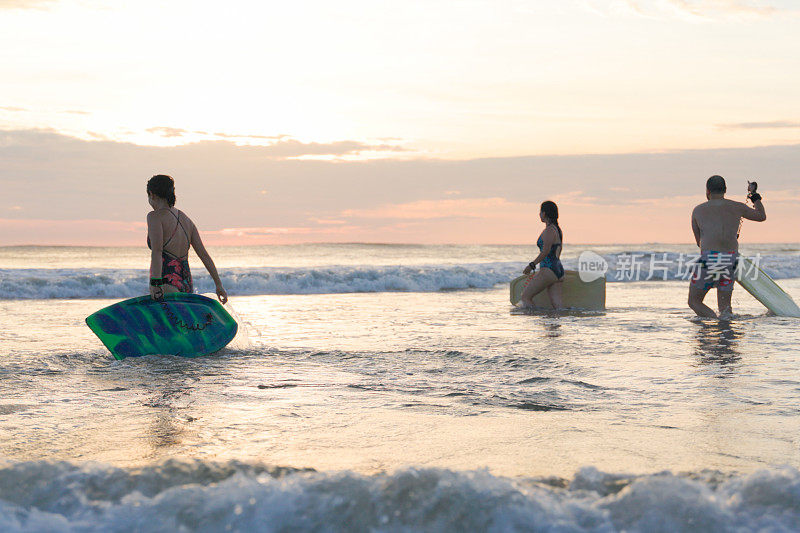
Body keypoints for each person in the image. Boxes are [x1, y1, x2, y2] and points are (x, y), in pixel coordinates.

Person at [688, 175, 765, 318]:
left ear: (707, 191)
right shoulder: (737, 206)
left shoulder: (698, 210)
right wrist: (754, 196)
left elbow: (699, 242)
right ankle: (725, 334)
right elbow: (761, 216)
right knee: (725, 309)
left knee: (694, 301)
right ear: (725, 190)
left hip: (709, 260)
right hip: (730, 260)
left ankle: (712, 320)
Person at [146, 174, 228, 303]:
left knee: (166, 321)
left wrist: (156, 283)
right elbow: (204, 255)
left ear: (152, 194)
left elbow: (157, 251)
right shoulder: (186, 220)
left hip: (166, 280)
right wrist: (219, 285)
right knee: (180, 322)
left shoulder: (154, 217)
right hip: (186, 282)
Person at [520, 200, 564, 309]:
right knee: (558, 307)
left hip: (549, 270)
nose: (539, 214)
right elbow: (558, 251)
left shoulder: (549, 230)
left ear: (544, 213)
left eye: (540, 212)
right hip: (558, 270)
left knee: (525, 297)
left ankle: (534, 322)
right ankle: (557, 324)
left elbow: (546, 251)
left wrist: (531, 265)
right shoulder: (557, 230)